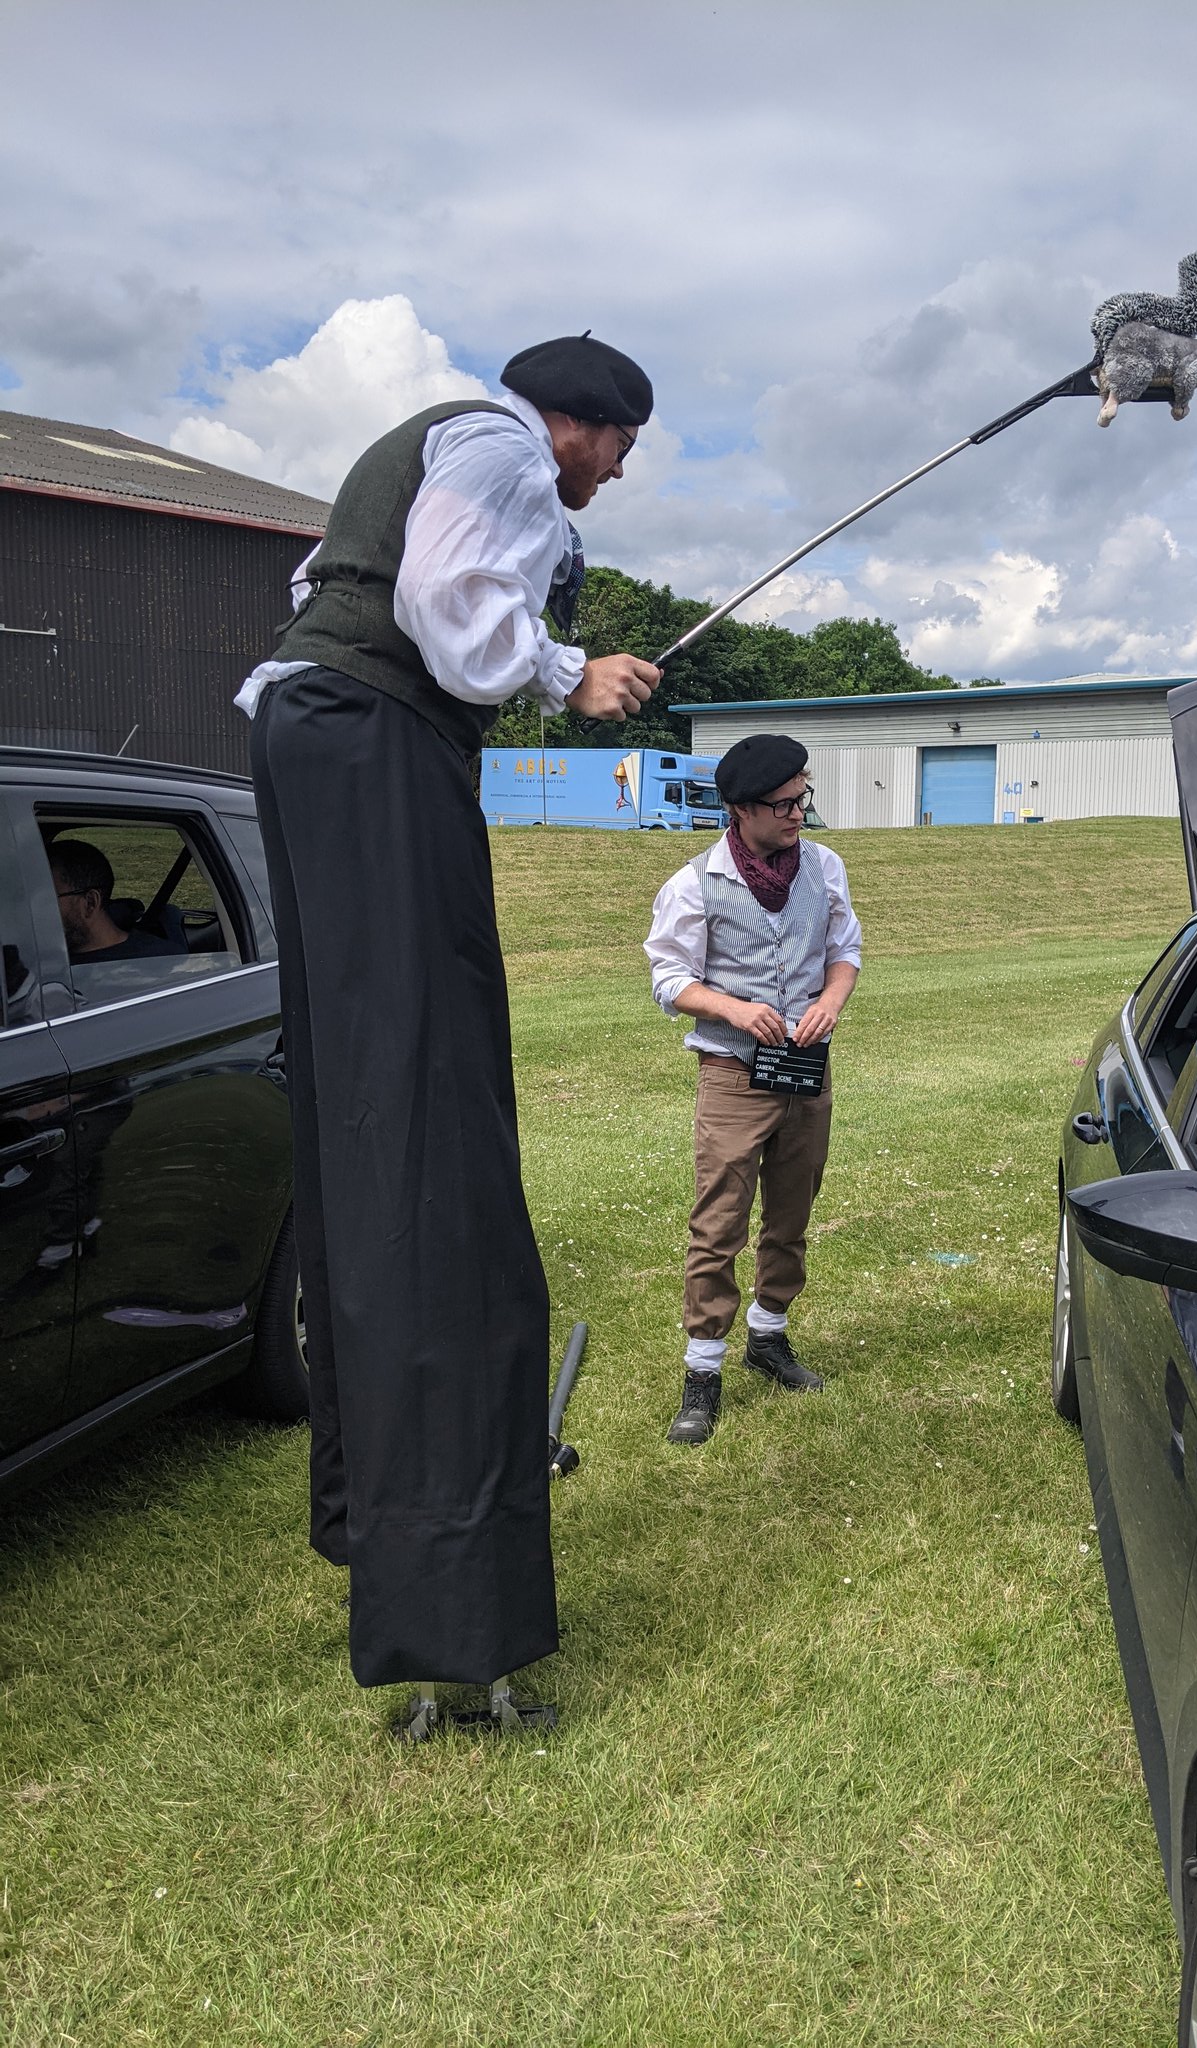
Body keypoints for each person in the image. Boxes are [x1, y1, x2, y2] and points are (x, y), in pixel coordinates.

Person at [235, 334, 661, 1701]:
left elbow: (334, 587)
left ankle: (389, 1522)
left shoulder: (425, 445)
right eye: (620, 447)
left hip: (318, 734)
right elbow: (446, 603)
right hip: (372, 744)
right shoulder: (504, 448)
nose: (611, 474)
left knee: (369, 1117)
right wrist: (564, 672)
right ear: (584, 426)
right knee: (427, 1138)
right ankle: (447, 1594)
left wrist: (548, 657)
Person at [644, 735, 862, 1445]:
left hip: (806, 1072)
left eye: (804, 797)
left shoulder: (824, 868)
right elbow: (668, 980)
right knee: (719, 1224)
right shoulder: (694, 883)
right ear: (740, 811)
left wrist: (832, 1000)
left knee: (791, 1214)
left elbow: (844, 952)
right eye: (785, 804)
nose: (800, 812)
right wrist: (735, 1010)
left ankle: (769, 1340)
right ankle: (702, 1372)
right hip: (733, 1076)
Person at [49, 840, 181, 961]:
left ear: (90, 903)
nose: (33, 912)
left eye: (46, 900)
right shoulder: (39, 962)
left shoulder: (162, 963)